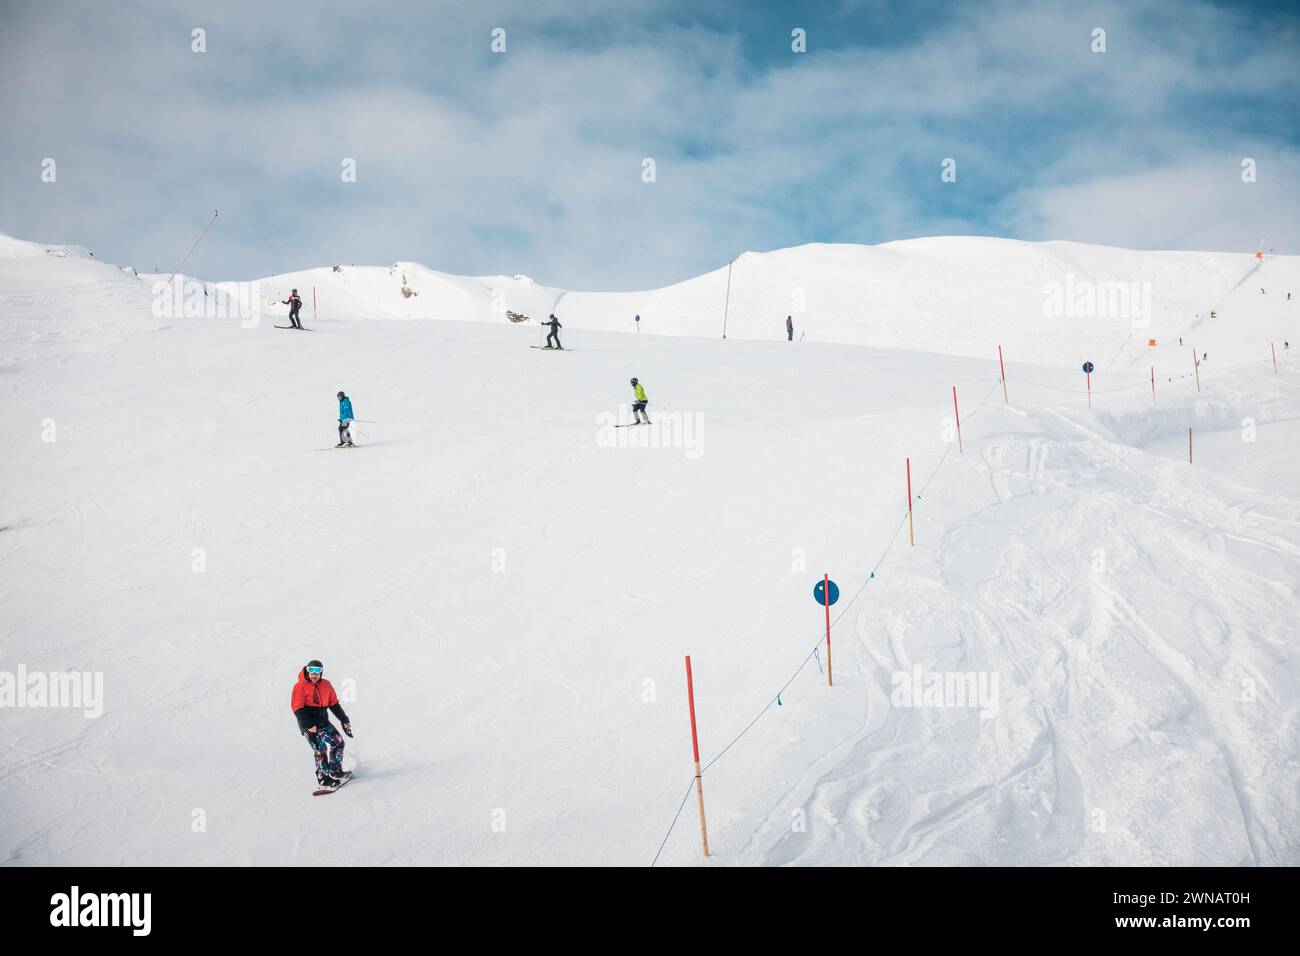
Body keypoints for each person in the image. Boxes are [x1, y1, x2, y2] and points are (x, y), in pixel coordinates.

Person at [291, 659, 353, 789]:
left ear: (321, 672)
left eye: (317, 671)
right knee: (320, 750)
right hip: (309, 724)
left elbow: (334, 704)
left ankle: (335, 771)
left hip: (323, 721)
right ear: (307, 671)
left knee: (338, 742)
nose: (314, 675)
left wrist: (344, 720)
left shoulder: (326, 684)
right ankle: (323, 778)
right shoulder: (300, 686)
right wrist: (308, 725)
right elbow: (297, 708)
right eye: (311, 671)